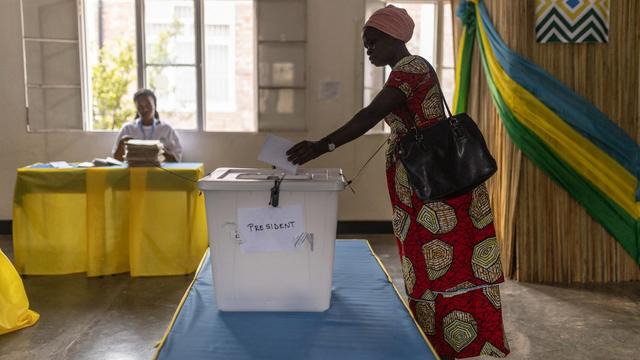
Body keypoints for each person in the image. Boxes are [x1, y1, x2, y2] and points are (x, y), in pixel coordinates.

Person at [287, 5, 509, 359]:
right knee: (428, 259)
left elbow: (370, 115)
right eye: (365, 45)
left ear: (394, 38)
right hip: (424, 181)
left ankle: (465, 344)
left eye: (373, 42)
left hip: (438, 185)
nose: (369, 50)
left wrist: (322, 146)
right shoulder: (403, 71)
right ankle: (435, 341)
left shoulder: (412, 69)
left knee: (449, 260)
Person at [112, 89, 183, 162]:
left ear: (154, 105)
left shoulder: (166, 129)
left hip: (160, 171)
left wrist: (160, 149)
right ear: (136, 108)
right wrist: (122, 142)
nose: (144, 109)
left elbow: (177, 159)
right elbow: (116, 161)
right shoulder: (127, 129)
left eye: (148, 104)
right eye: (140, 106)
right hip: (134, 172)